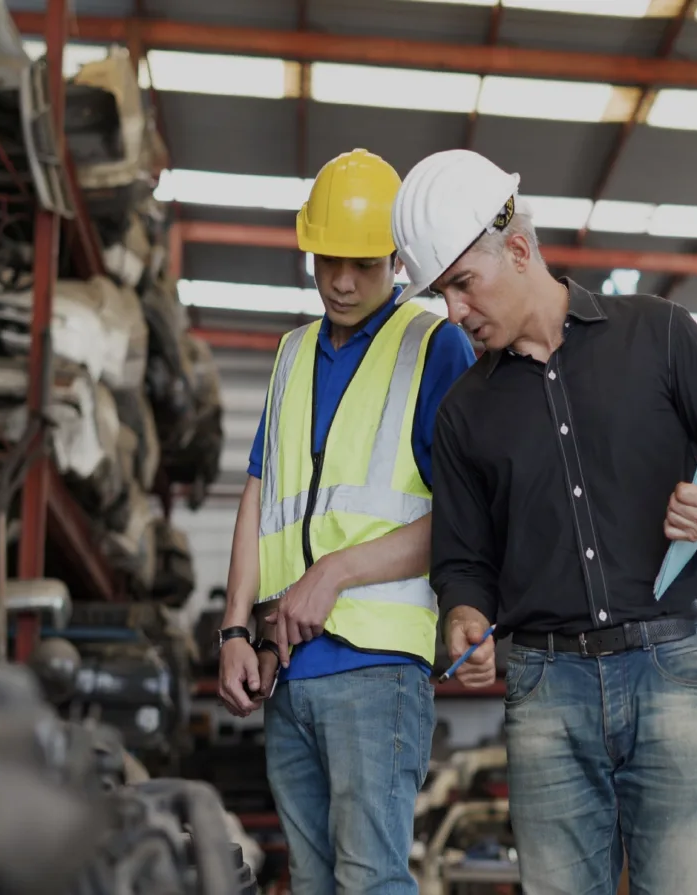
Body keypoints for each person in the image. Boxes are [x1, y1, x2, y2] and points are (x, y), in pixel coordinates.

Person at [390, 148, 697, 895]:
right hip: (546, 691)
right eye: (441, 294)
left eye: (462, 286)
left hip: (672, 669)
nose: (453, 313)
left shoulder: (660, 334)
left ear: (517, 248)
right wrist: (463, 618)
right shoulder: (464, 414)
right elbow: (464, 561)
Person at [215, 147, 476, 894]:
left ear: (397, 257)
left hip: (379, 667)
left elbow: (465, 514)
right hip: (288, 670)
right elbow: (258, 495)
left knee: (370, 879)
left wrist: (335, 573)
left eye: (363, 263)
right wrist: (237, 627)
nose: (341, 279)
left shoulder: (435, 345)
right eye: (327, 257)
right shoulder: (292, 354)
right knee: (313, 881)